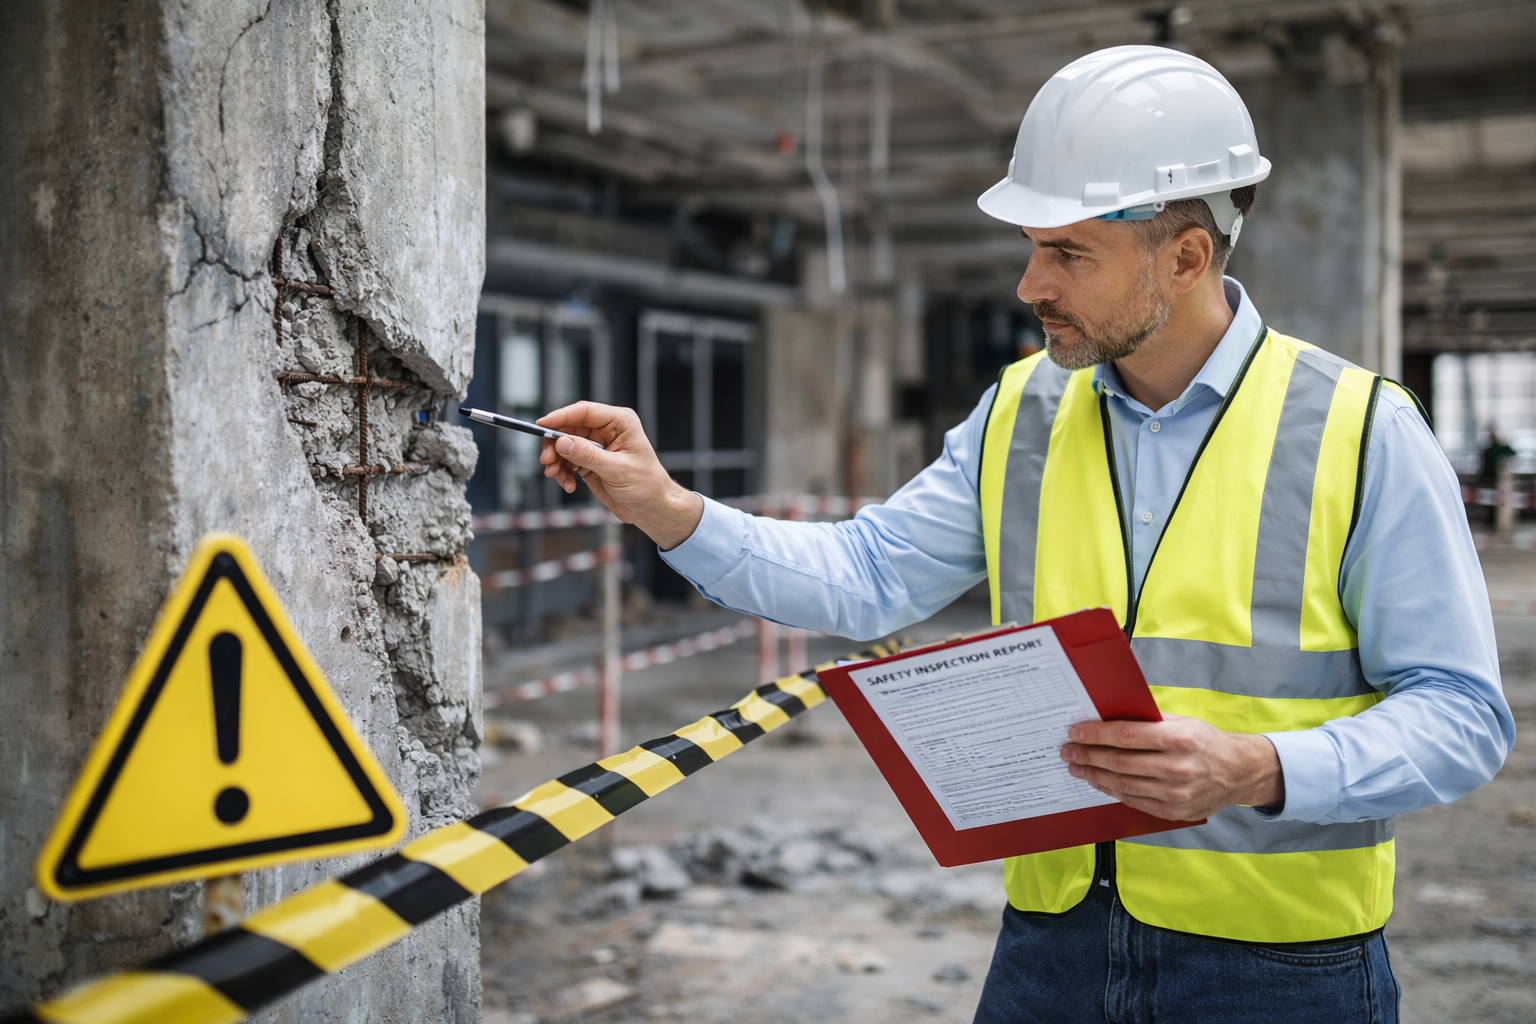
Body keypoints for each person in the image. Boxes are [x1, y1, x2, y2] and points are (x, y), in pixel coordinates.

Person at [533, 46, 1512, 1023]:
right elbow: (869, 576)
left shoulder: (1359, 429)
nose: (1029, 284)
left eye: (1069, 253)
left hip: (1279, 969)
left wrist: (1261, 768)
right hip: (1054, 948)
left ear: (1185, 257)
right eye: (1034, 247)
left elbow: (1462, 714)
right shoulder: (1024, 412)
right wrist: (666, 506)